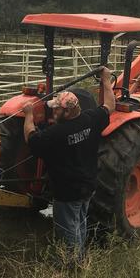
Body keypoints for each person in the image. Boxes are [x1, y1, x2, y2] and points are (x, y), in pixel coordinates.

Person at [23, 67, 116, 258]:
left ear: (66, 112)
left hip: (67, 193)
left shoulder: (55, 134)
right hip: (87, 188)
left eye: (56, 109)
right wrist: (106, 80)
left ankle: (71, 268)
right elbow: (109, 105)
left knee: (67, 232)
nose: (53, 111)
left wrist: (28, 115)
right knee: (79, 224)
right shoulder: (91, 119)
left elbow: (31, 139)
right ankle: (79, 258)